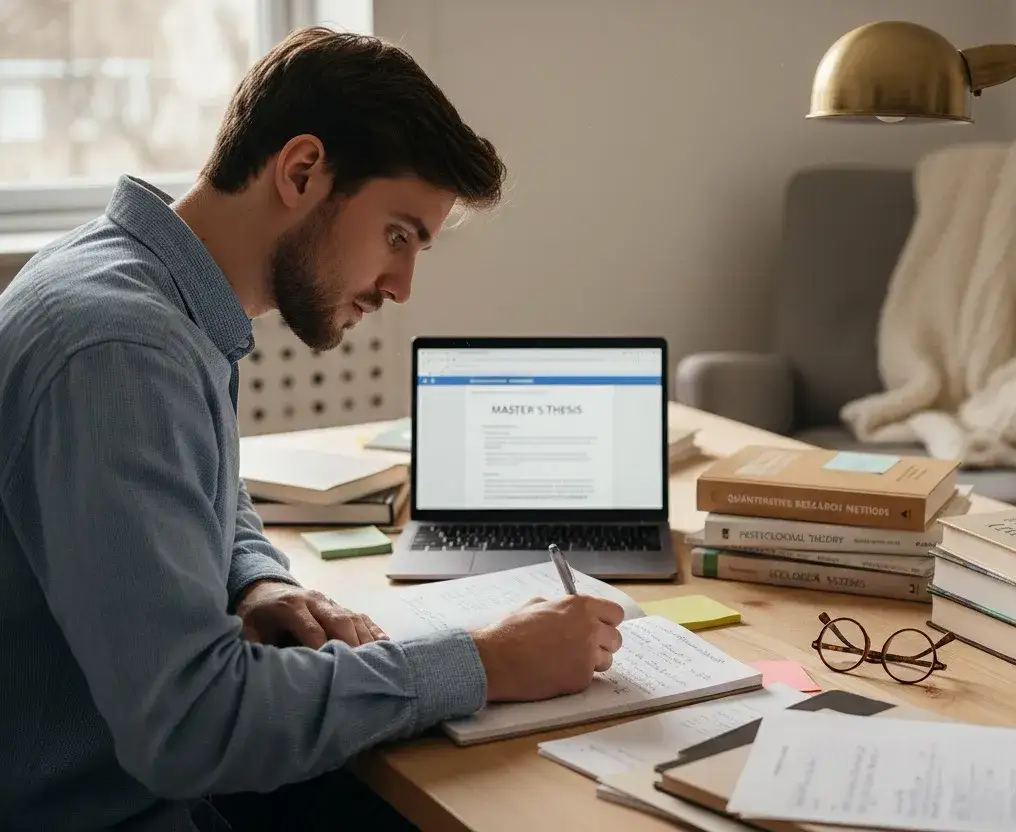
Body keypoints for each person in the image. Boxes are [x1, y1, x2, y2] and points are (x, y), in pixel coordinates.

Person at [0, 26, 625, 832]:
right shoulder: (126, 349)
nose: (401, 285)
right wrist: (485, 662)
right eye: (399, 234)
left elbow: (205, 499)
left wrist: (257, 579)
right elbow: (191, 727)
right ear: (301, 172)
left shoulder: (131, 284)